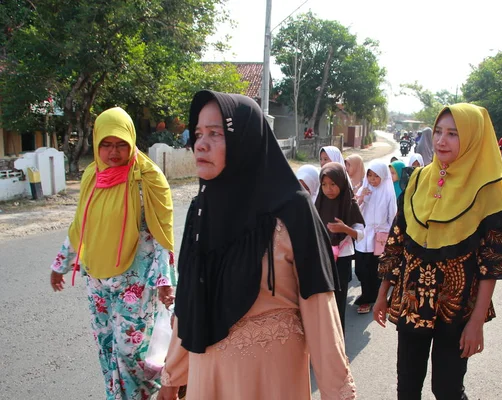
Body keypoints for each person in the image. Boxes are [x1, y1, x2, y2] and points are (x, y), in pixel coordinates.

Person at [158, 91, 356, 400]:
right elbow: (190, 303)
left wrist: (338, 393)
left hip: (270, 381)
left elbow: (320, 310)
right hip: (208, 379)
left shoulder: (293, 210)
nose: (200, 144)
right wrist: (172, 378)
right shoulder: (202, 210)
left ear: (246, 140)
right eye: (198, 133)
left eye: (215, 134)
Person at [373, 103, 502, 400]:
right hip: (411, 301)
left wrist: (476, 323)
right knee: (406, 387)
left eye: (453, 134)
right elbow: (398, 241)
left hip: (456, 308)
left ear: (473, 138)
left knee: (446, 389)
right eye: (438, 131)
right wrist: (383, 293)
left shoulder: (490, 190)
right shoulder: (419, 179)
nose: (441, 141)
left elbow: (492, 264)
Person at [50, 107, 176, 400]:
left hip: (136, 281)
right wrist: (62, 263)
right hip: (96, 280)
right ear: (96, 143)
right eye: (106, 144)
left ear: (131, 142)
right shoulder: (92, 175)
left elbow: (162, 234)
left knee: (131, 354)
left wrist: (165, 281)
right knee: (107, 349)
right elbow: (80, 224)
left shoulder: (148, 179)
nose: (113, 152)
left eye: (121, 144)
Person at [315, 162, 365, 334]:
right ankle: (323, 346)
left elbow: (361, 234)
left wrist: (345, 229)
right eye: (324, 184)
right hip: (322, 259)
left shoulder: (349, 203)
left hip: (342, 259)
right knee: (322, 306)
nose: (328, 189)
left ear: (342, 183)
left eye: (333, 184)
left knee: (338, 305)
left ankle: (338, 346)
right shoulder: (319, 203)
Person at [354, 161, 397, 314]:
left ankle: (369, 297)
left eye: (376, 176)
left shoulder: (388, 192)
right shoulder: (364, 189)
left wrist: (391, 237)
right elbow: (354, 212)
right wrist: (361, 197)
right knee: (360, 268)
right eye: (370, 175)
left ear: (383, 177)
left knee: (374, 269)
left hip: (380, 236)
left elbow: (392, 216)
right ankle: (368, 293)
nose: (372, 179)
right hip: (364, 234)